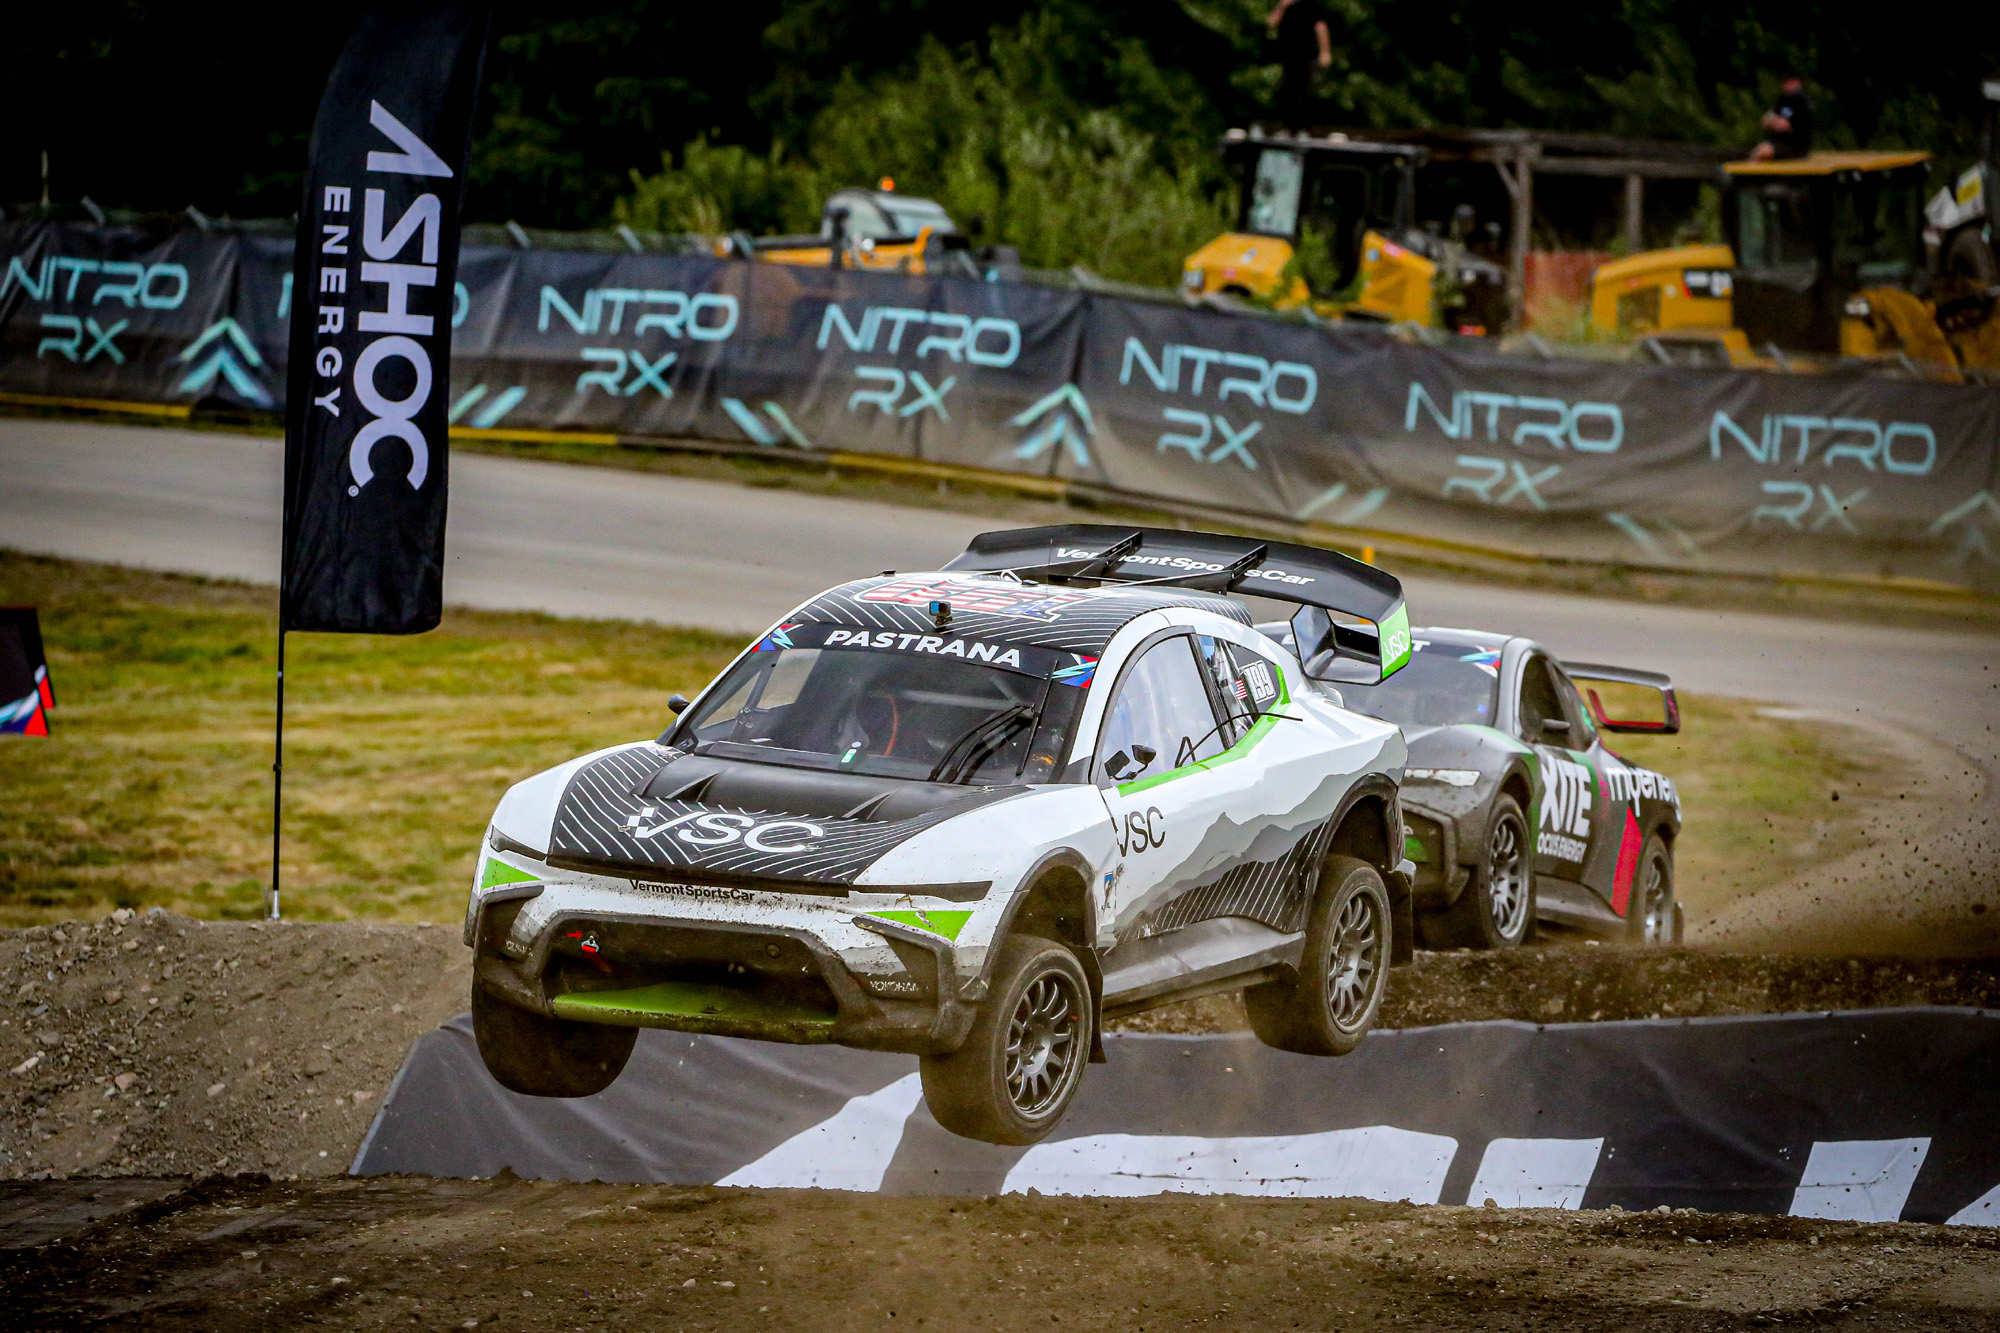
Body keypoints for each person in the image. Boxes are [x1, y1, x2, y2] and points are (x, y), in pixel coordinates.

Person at [1269, 0, 1332, 130]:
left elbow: (1321, 27)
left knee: (1304, 92)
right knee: (1287, 92)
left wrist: (1325, 51)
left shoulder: (1311, 5)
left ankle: (1303, 128)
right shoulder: (1286, 6)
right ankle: (1287, 127)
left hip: (1307, 55)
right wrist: (1282, 6)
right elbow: (1272, 23)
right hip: (1288, 56)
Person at [1750, 76, 1815, 161]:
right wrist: (1774, 122)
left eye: (1790, 82)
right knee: (1759, 148)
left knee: (1765, 151)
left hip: (1795, 146)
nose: (1786, 85)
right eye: (1785, 82)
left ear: (1797, 82)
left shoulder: (1802, 101)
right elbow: (1765, 121)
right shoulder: (1782, 100)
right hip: (1779, 143)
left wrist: (1775, 122)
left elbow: (1784, 125)